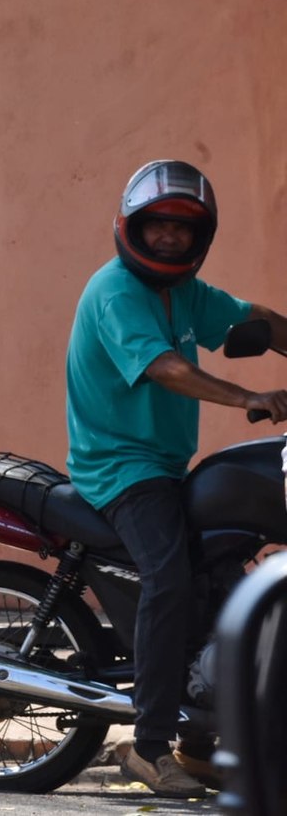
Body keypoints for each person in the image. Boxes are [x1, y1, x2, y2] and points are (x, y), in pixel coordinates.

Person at [65, 159, 287, 798]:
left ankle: (201, 738)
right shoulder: (114, 292)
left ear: (199, 237)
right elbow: (166, 368)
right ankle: (149, 745)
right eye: (157, 225)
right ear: (131, 226)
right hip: (120, 465)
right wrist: (249, 394)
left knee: (219, 568)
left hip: (165, 462)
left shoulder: (186, 294)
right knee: (169, 577)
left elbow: (254, 320)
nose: (168, 237)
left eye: (181, 230)